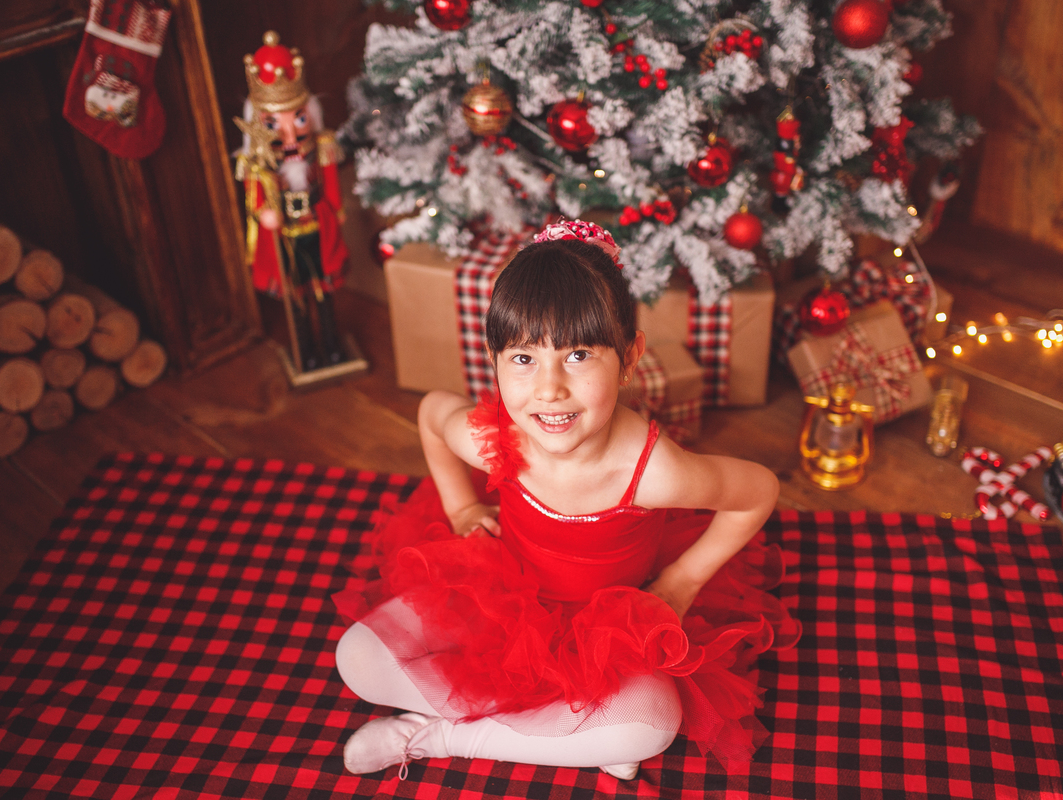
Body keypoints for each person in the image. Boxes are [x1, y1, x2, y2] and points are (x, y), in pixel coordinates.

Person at [333, 220, 800, 780]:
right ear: (496, 359)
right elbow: (434, 414)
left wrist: (684, 579)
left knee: (653, 724)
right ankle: (574, 733)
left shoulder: (654, 471)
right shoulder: (494, 439)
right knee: (355, 658)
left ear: (629, 357)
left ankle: (438, 737)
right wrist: (461, 508)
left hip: (611, 627)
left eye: (578, 355)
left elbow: (758, 491)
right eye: (524, 359)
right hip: (502, 587)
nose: (549, 389)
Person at [236, 30, 350, 372]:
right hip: (286, 238)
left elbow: (331, 187)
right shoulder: (257, 164)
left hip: (318, 228)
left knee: (323, 294)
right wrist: (263, 213)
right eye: (274, 123)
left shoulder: (322, 148)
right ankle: (306, 350)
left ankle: (332, 345)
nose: (290, 134)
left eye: (298, 119)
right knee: (296, 297)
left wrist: (336, 212)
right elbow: (254, 199)